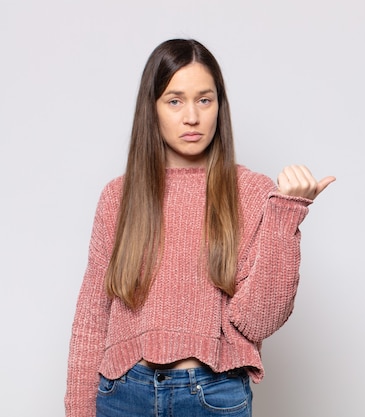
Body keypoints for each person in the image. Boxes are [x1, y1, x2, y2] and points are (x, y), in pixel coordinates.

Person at [65, 38, 335, 417]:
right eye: (175, 100)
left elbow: (258, 320)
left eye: (204, 100)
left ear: (219, 107)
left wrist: (286, 214)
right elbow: (92, 319)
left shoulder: (251, 192)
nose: (191, 116)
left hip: (211, 396)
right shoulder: (118, 196)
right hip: (122, 395)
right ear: (153, 109)